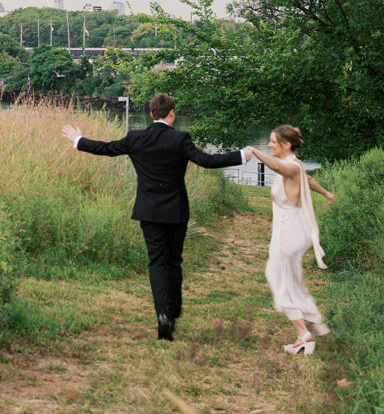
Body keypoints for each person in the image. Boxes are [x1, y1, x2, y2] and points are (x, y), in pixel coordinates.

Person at [61, 93, 248, 341]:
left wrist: (79, 140)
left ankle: (163, 315)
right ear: (172, 113)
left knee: (157, 262)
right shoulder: (180, 139)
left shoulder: (136, 138)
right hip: (176, 211)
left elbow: (106, 149)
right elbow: (207, 161)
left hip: (148, 211)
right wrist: (242, 156)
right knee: (174, 260)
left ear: (151, 114)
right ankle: (173, 310)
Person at [245, 126, 334, 355]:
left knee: (279, 279)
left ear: (286, 144)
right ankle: (305, 330)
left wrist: (254, 151)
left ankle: (305, 334)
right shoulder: (296, 166)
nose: (270, 145)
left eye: (273, 142)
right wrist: (326, 193)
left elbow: (277, 166)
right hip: (290, 232)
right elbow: (308, 180)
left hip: (291, 233)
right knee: (289, 281)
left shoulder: (290, 166)